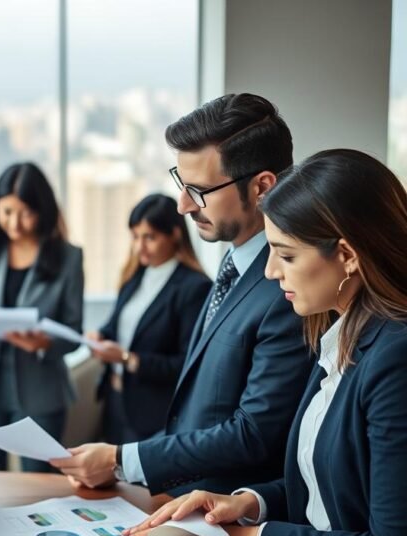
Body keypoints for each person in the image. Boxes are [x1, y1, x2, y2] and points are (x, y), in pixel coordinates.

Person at [122, 149, 407, 536]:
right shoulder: (337, 336)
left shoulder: (393, 359)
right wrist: (247, 503)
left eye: (286, 255)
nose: (272, 272)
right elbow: (330, 490)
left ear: (347, 255)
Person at [53, 93, 313, 495]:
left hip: (230, 520)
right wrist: (124, 460)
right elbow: (195, 415)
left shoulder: (290, 289)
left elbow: (254, 433)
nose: (183, 205)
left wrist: (122, 461)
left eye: (199, 190)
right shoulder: (231, 267)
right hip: (183, 504)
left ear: (262, 187)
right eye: (181, 183)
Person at [0, 162, 84, 473]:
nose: (15, 223)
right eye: (7, 211)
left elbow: (74, 330)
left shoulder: (67, 257)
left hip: (41, 390)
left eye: (25, 213)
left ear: (43, 210)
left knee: (37, 489)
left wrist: (43, 342)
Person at [90, 193, 211, 444]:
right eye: (135, 237)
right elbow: (119, 326)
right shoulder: (135, 276)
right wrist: (100, 336)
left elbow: (187, 364)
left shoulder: (194, 287)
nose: (139, 247)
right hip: (117, 400)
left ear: (175, 234)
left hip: (154, 412)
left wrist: (128, 359)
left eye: (149, 237)